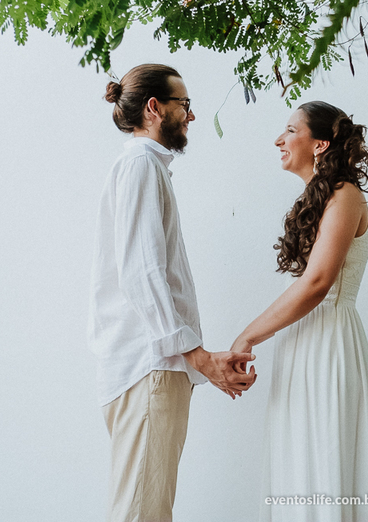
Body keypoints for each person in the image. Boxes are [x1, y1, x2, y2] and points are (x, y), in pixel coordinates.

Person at [89, 63, 257, 522]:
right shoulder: (141, 165)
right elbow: (142, 274)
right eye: (184, 104)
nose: (192, 115)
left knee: (146, 508)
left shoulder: (143, 167)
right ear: (154, 108)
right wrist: (198, 357)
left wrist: (197, 359)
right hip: (150, 368)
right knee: (142, 513)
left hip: (153, 368)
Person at [231, 101, 368, 521]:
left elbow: (317, 283)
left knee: (325, 464)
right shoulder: (317, 198)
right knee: (297, 468)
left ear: (320, 144)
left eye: (289, 130)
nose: (278, 140)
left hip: (329, 346)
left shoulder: (345, 195)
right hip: (300, 345)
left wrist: (247, 336)